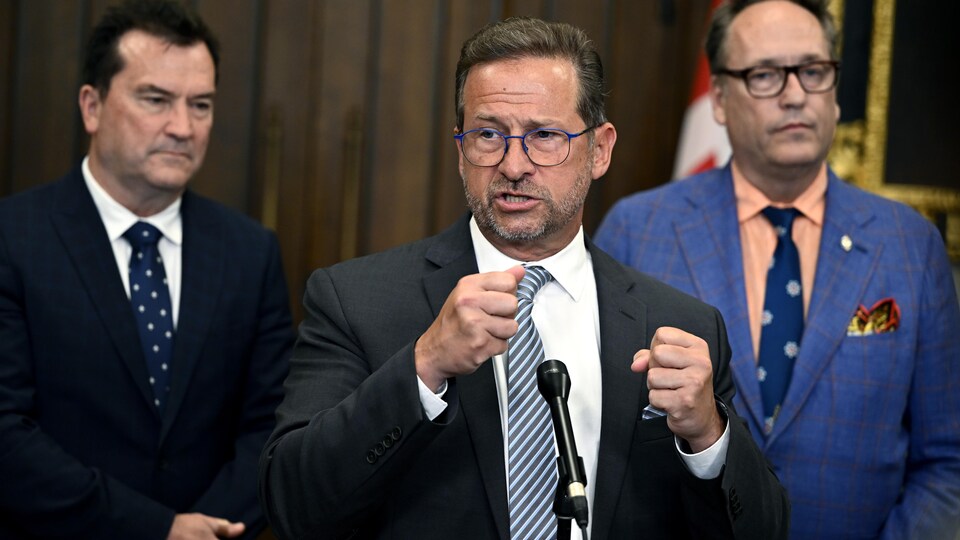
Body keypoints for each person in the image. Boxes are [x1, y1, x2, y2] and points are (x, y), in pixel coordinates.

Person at [259, 16, 788, 540]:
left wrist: (706, 436)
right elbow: (294, 506)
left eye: (545, 136)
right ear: (460, 149)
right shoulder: (355, 300)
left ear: (599, 150)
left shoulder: (680, 324)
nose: (514, 164)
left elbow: (763, 531)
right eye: (489, 135)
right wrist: (424, 366)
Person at [595, 0, 960, 538]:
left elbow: (948, 461)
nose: (794, 95)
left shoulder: (909, 245)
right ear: (718, 99)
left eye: (813, 72)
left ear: (835, 93)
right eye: (765, 75)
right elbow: (592, 433)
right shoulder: (638, 229)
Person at [0, 1, 294, 538]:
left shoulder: (250, 253)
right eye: (156, 100)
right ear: (92, 106)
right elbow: (6, 433)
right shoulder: (14, 239)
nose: (182, 127)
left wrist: (204, 530)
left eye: (200, 105)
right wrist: (157, 529)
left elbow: (273, 426)